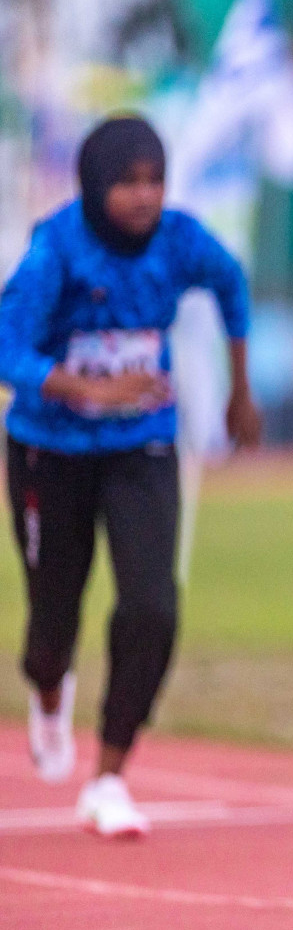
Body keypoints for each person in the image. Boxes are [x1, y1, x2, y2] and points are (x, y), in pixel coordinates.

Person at [0, 114, 261, 838]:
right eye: (127, 183)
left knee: (152, 608)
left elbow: (232, 285)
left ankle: (109, 775)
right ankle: (49, 689)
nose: (145, 197)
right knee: (53, 619)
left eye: (155, 180)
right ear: (92, 186)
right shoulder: (56, 250)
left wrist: (243, 390)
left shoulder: (180, 240)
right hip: (48, 451)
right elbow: (7, 349)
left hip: (141, 445)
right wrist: (87, 389)